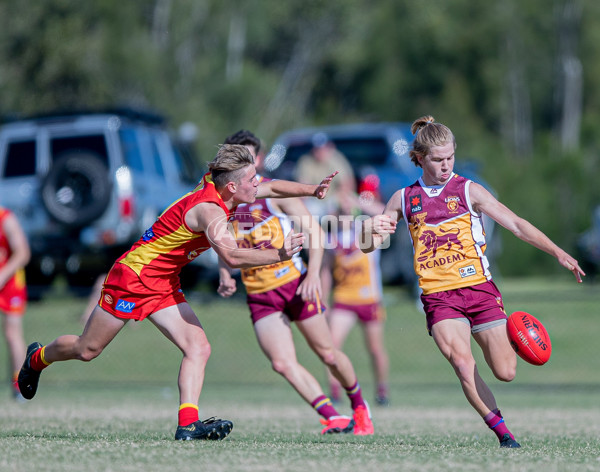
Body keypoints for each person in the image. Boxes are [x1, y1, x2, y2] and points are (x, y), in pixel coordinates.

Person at [17, 143, 338, 441]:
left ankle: (187, 425)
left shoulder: (226, 188)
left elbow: (274, 187)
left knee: (198, 346)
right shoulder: (210, 211)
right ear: (232, 187)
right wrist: (280, 254)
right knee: (87, 350)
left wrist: (313, 191)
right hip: (133, 277)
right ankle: (37, 358)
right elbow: (233, 257)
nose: (259, 183)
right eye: (253, 178)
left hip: (162, 282)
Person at [360, 115, 585, 448]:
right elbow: (366, 244)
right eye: (438, 160)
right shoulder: (404, 198)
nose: (446, 165)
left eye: (450, 157)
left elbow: (517, 225)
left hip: (479, 289)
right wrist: (371, 230)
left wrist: (557, 252)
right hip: (439, 297)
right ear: (420, 159)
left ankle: (516, 326)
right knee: (463, 364)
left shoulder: (468, 189)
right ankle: (504, 435)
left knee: (506, 371)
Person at [217, 130, 374, 435]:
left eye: (247, 157)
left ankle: (359, 406)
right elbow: (225, 245)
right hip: (260, 294)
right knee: (281, 363)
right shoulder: (225, 201)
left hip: (293, 284)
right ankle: (333, 416)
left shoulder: (274, 194)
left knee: (327, 354)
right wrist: (225, 274)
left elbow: (315, 234)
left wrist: (313, 274)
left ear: (258, 160)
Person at [321, 181, 390, 407]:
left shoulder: (367, 229)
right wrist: (323, 302)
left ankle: (382, 390)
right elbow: (326, 273)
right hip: (343, 299)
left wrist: (357, 200)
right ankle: (335, 392)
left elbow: (386, 213)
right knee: (331, 348)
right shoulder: (332, 239)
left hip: (369, 299)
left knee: (375, 349)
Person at [0, 206, 31, 401]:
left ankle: (19, 386)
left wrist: (2, 276)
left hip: (9, 281)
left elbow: (23, 253)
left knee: (12, 333)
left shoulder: (6, 218)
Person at [295, 132, 356, 218]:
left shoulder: (336, 159)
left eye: (323, 148)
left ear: (329, 147)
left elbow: (347, 184)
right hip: (315, 200)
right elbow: (303, 188)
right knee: (299, 208)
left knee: (347, 202)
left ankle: (345, 230)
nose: (320, 151)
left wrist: (336, 202)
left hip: (334, 198)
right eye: (317, 148)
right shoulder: (306, 161)